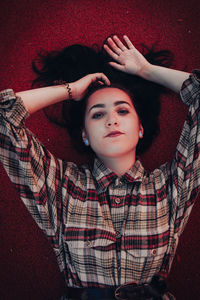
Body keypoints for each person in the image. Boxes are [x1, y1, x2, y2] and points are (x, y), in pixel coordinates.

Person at [0, 35, 199, 300]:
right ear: (85, 134)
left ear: (140, 129)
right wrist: (70, 91)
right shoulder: (60, 186)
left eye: (123, 111)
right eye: (97, 113)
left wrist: (146, 70)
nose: (111, 120)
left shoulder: (170, 186)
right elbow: (4, 119)